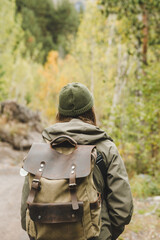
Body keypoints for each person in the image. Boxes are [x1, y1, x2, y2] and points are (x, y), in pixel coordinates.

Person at [21, 82, 133, 240]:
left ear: (60, 112)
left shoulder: (40, 149)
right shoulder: (106, 148)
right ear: (90, 110)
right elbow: (123, 209)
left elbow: (25, 210)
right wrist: (106, 233)